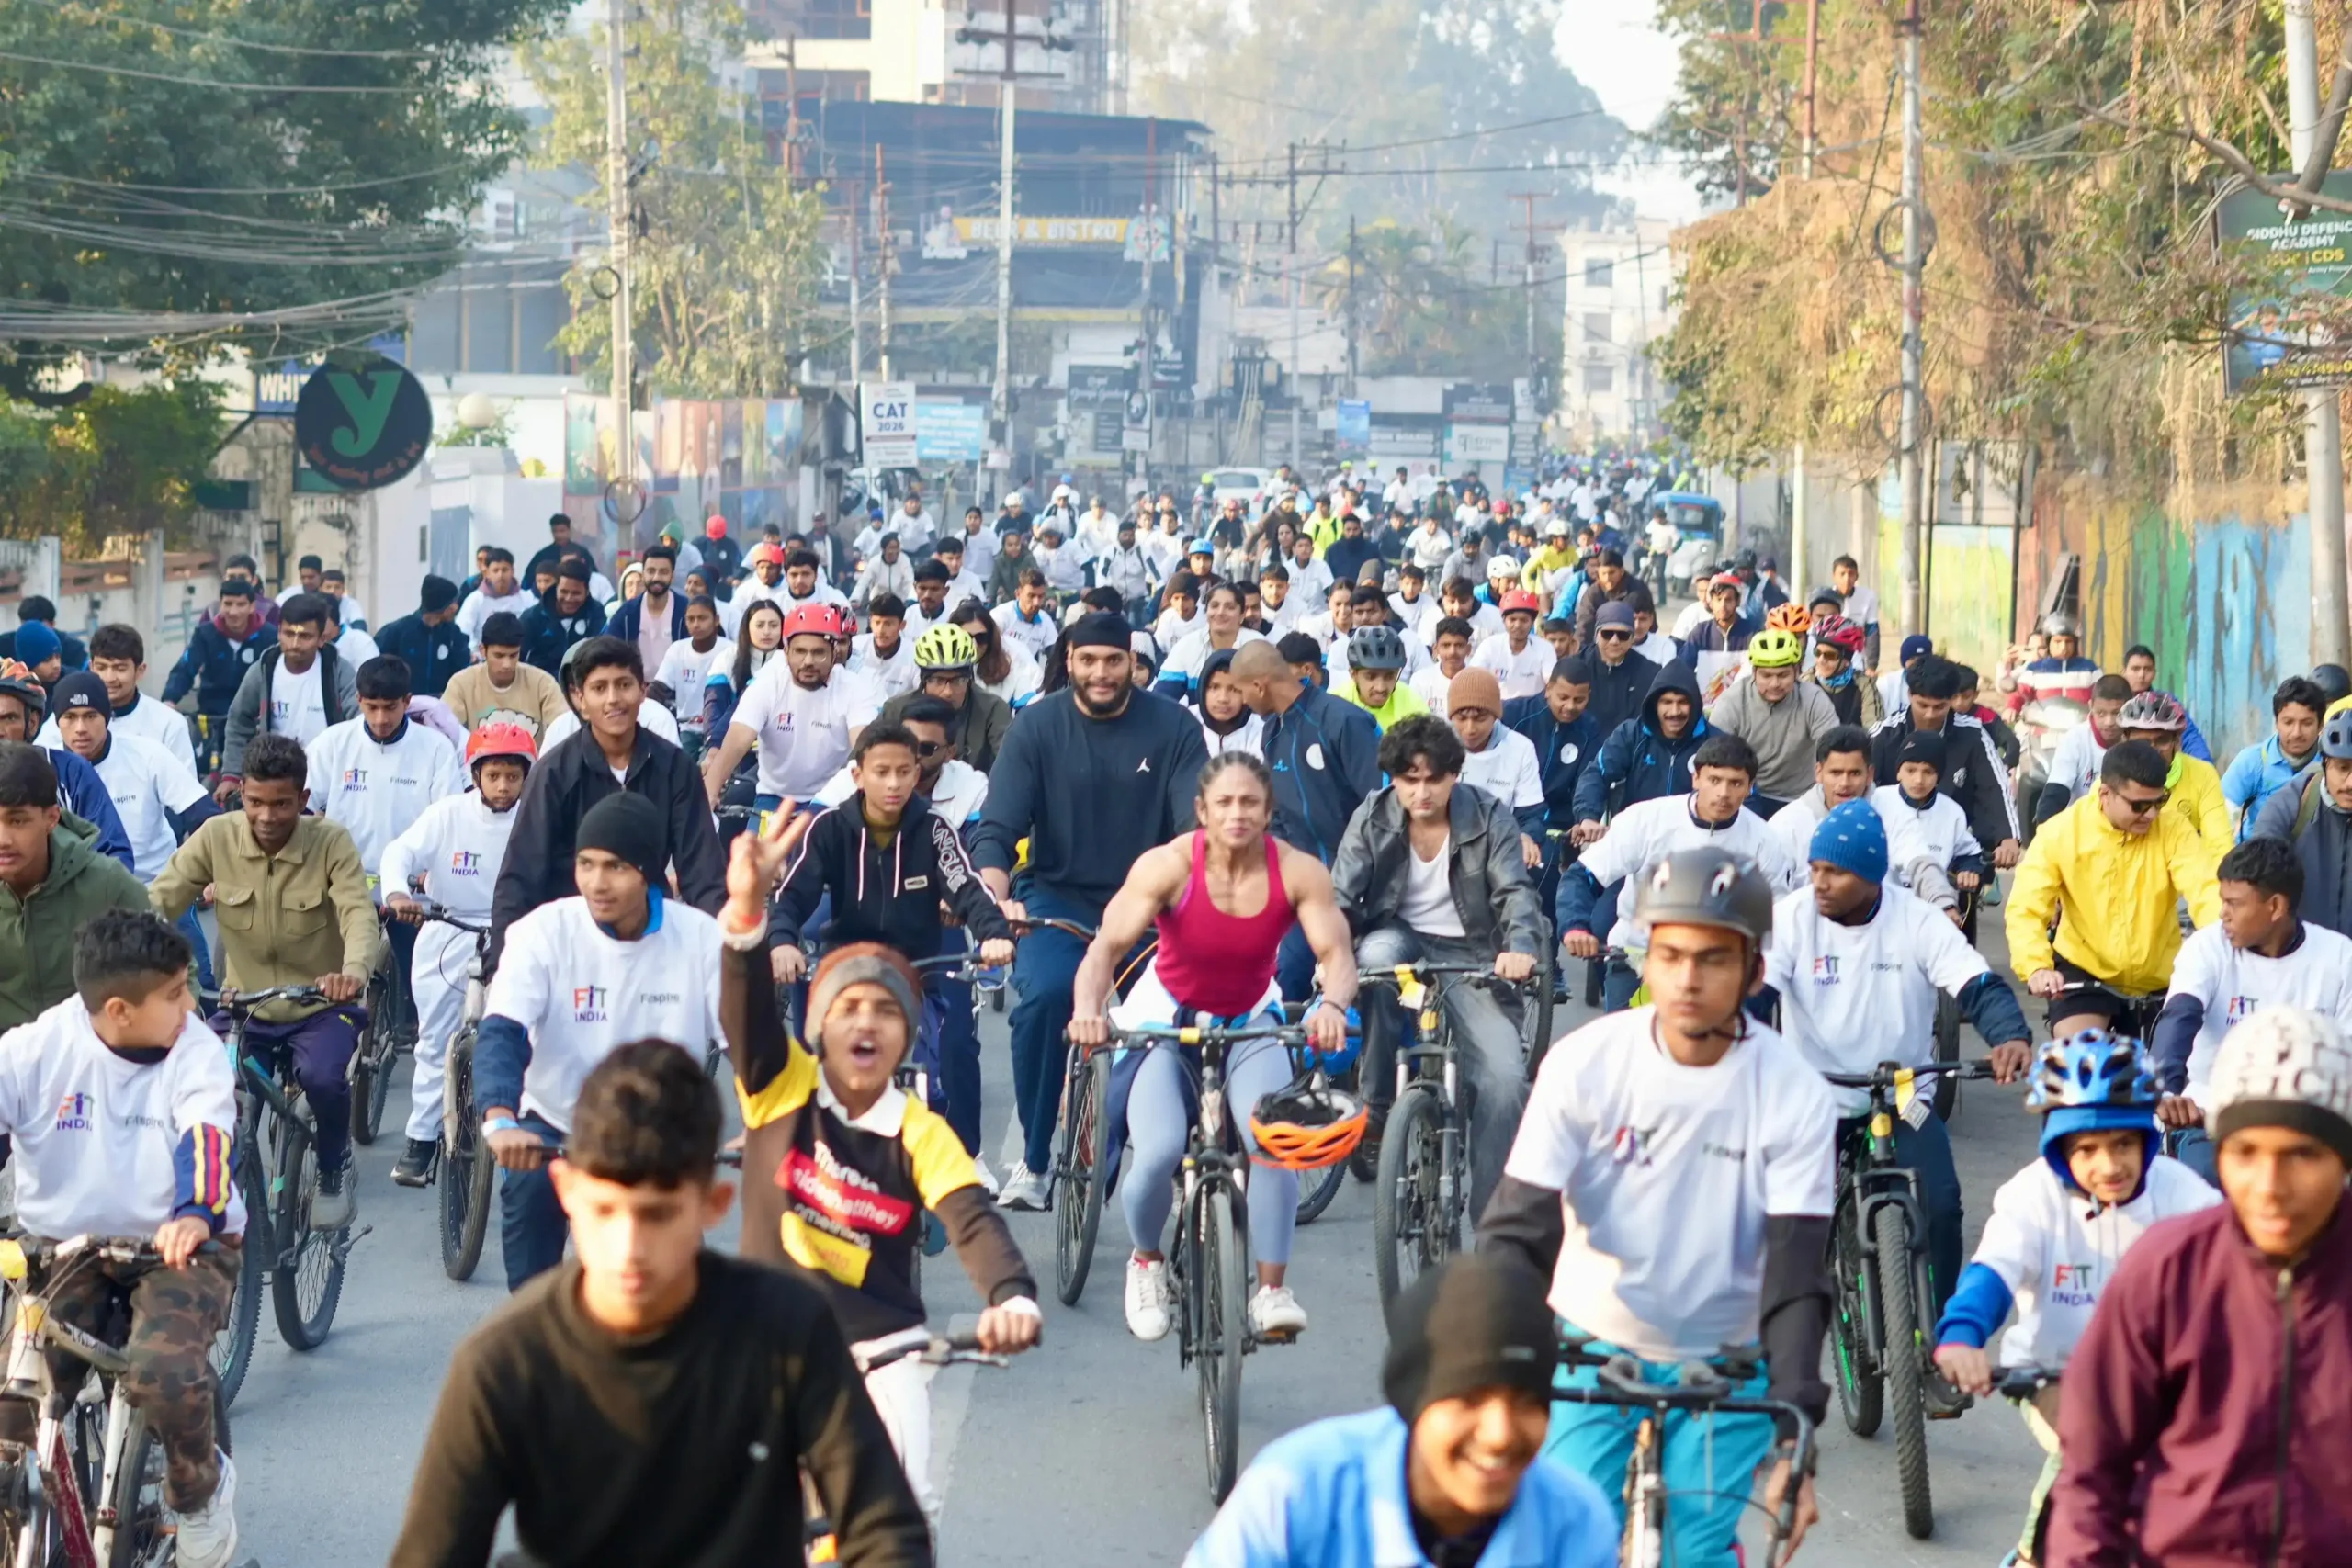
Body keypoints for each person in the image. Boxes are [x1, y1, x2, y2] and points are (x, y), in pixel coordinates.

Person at [393, 1036, 932, 1565]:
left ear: (714, 1204)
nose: (630, 1249)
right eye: (606, 1211)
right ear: (566, 1192)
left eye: (658, 1215)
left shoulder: (788, 1329)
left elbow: (883, 1524)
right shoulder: (505, 1363)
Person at [1479, 847, 1831, 1564]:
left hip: (1728, 1359)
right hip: (1592, 1347)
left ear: (1754, 973)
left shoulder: (1794, 1090)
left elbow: (1797, 1276)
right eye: (1668, 954)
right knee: (1561, 1546)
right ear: (1644, 959)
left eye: (1712, 959)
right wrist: (1495, 1364)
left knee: (1696, 1555)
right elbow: (1516, 1236)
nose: (1687, 979)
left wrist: (1796, 1426)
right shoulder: (1585, 1063)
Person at [1068, 752, 1358, 1340]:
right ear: (1202, 810)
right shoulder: (1168, 865)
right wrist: (1087, 1012)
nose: (1237, 813)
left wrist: (1331, 1005)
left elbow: (1337, 956)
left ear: (1268, 810)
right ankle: (1146, 1260)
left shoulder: (1299, 872)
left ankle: (1272, 1291)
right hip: (1164, 1024)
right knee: (1159, 1150)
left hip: (1249, 1019)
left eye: (1250, 802)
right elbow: (1104, 950)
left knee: (1268, 1143)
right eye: (1223, 802)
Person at [2046, 1006, 2352, 1565]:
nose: (2269, 1187)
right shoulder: (2166, 1272)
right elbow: (2091, 1477)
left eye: (2302, 1155)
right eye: (2244, 1153)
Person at [0, 909, 245, 1568]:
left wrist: (196, 1212)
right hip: (66, 1245)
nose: (190, 1003)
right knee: (14, 1397)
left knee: (162, 1371)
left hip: (180, 1244)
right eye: (174, 993)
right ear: (118, 1009)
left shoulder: (194, 1049)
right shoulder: (34, 1050)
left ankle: (200, 1494)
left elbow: (208, 1135)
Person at [1929, 1030, 2218, 1567]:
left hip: (2162, 1384)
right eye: (2087, 1149)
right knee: (2091, 1445)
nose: (2109, 1165)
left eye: (2124, 1144)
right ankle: (2036, 1555)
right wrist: (1962, 1336)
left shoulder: (2183, 1195)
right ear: (2056, 1146)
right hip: (2052, 1374)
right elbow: (1994, 1271)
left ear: (2147, 1140)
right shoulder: (2031, 1196)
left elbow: (2241, 1271)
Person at [968, 613, 1209, 1210]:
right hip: (1057, 896)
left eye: (1113, 660)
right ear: (1068, 662)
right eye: (1087, 660)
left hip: (1152, 905)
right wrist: (996, 902)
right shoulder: (1037, 728)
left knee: (1188, 1018)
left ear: (1132, 662)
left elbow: (1193, 833)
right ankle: (1037, 1158)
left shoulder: (1174, 728)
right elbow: (997, 830)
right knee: (1046, 998)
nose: (1101, 673)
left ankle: (1180, 1151)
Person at [1186, 1252, 1617, 1568]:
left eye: (1528, 1402)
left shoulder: (1575, 1525)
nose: (1500, 1433)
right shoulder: (1293, 1496)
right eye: (1469, 1399)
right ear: (1412, 1400)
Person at [1768, 800, 2030, 1311]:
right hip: (1815, 1093)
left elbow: (1977, 985)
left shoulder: (1917, 920)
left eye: (1835, 873)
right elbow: (1754, 995)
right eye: (1815, 869)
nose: (1819, 882)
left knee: (1942, 1208)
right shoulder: (1791, 919)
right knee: (1789, 1215)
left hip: (1902, 1091)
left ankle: (1940, 1336)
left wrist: (2009, 1035)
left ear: (1870, 877)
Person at [476, 794, 726, 1290]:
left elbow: (746, 1043)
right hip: (552, 1128)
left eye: (614, 867)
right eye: (585, 864)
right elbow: (503, 1029)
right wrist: (500, 1118)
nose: (596, 882)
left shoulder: (701, 938)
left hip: (660, 1137)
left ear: (648, 872)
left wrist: (770, 1122)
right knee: (532, 1284)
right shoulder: (542, 932)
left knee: (675, 1289)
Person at [149, 732, 380, 1226]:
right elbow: (160, 899)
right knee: (209, 1091)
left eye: (281, 804)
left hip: (320, 1006)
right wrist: (123, 956)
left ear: (302, 799)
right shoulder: (216, 837)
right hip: (245, 1007)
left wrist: (353, 971)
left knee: (321, 1078)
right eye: (255, 802)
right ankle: (213, 1198)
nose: (267, 816)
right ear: (242, 797)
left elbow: (358, 913)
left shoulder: (330, 841)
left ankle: (333, 1167)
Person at [1334, 716, 1546, 1215]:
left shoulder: (1489, 816)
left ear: (1456, 775)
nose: (1422, 791)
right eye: (1410, 778)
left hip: (1475, 952)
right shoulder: (1373, 815)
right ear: (1394, 778)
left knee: (1503, 1081)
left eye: (1434, 778)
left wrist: (1519, 948)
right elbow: (1339, 898)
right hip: (1400, 939)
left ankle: (1493, 1220)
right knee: (1375, 958)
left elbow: (1515, 892)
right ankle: (1380, 1104)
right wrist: (1333, 955)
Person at [490, 637, 728, 965]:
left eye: (624, 685)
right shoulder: (553, 773)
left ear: (642, 691)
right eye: (599, 688)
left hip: (650, 936)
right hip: (570, 944)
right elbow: (520, 876)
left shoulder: (675, 767)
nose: (613, 699)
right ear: (580, 699)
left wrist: (727, 957)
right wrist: (500, 967)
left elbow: (704, 872)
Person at [379, 722, 534, 1188]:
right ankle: (421, 1139)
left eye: (513, 775)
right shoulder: (447, 814)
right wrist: (397, 894)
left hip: (517, 933)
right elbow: (398, 853)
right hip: (448, 930)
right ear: (476, 774)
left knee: (522, 1040)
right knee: (436, 1042)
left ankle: (519, 1142)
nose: (503, 786)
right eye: (494, 775)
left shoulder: (539, 818)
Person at [2150, 835, 2352, 1188]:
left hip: (2307, 1123)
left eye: (2234, 904)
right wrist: (2166, 1091)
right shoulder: (2207, 948)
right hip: (2211, 1118)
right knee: (2206, 1182)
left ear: (2275, 907)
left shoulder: (2339, 957)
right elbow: (2179, 1017)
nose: (2222, 914)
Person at [1563, 732, 1801, 1010]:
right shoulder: (1645, 819)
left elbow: (1780, 915)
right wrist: (1575, 927)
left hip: (1718, 971)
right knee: (1629, 1051)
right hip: (1636, 957)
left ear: (1750, 788)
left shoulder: (1765, 840)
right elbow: (1583, 876)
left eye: (1736, 783)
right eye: (1715, 780)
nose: (1724, 793)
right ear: (1696, 778)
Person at [2008, 740, 2222, 1039]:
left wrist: (2226, 950)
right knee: (2079, 1065)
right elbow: (2026, 908)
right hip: (2084, 974)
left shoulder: (2174, 829)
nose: (2150, 815)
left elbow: (2207, 892)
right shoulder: (2060, 832)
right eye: (2138, 805)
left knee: (2177, 1073)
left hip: (2162, 976)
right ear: (2105, 793)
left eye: (2159, 802)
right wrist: (2036, 967)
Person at [44, 671, 219, 982]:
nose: (81, 728)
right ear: (56, 722)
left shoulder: (147, 754)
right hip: (83, 902)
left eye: (91, 715)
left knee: (198, 988)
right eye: (69, 717)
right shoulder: (43, 765)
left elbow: (205, 815)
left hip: (160, 890)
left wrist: (212, 870)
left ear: (109, 716)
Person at [0, 743, 151, 1032]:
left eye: (17, 820)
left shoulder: (106, 884)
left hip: (93, 1062)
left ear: (51, 818)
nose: (3, 839)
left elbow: (172, 970)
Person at [700, 603, 880, 817]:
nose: (808, 661)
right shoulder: (769, 682)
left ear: (834, 653)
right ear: (786, 653)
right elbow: (737, 740)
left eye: (819, 653)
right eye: (800, 652)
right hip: (772, 799)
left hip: (831, 801)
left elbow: (866, 746)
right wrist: (709, 794)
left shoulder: (853, 687)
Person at [1871, 653, 2022, 868]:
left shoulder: (1974, 734)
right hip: (1889, 851)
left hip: (1955, 852)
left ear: (1952, 700)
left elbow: (1995, 787)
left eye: (1939, 707)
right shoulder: (1883, 735)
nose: (1931, 714)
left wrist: (2008, 838)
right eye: (1922, 705)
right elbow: (1863, 788)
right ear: (1909, 695)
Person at [215, 592, 356, 802]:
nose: (295, 643)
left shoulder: (339, 671)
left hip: (329, 779)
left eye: (305, 636)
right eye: (289, 634)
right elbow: (238, 720)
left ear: (322, 639)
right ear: (279, 631)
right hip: (274, 780)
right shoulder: (263, 670)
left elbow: (359, 720)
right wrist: (232, 775)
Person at [1704, 626, 1838, 813]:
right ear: (1754, 672)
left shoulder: (1814, 699)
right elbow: (1714, 756)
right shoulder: (1733, 701)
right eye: (1766, 675)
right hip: (1747, 795)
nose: (1775, 684)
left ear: (1797, 671)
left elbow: (1833, 749)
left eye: (1783, 675)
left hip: (1802, 798)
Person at [1569, 657, 1713, 830]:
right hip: (1637, 836)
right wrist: (1587, 817)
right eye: (1667, 702)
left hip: (1694, 838)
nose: (1675, 712)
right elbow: (1596, 773)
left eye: (1682, 702)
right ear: (1654, 705)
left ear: (1695, 705)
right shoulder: (1631, 734)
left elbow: (1744, 794)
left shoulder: (1715, 742)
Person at [34, 624, 197, 777]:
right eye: (102, 668)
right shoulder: (65, 720)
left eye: (120, 669)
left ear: (140, 671)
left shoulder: (169, 724)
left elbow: (187, 794)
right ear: (91, 668)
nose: (109, 678)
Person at [1871, 730, 1984, 915]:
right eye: (1911, 770)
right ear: (1898, 772)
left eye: (1928, 772)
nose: (1918, 780)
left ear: (1939, 776)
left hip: (1931, 910)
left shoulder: (1952, 812)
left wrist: (1968, 870)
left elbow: (1967, 853)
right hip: (1881, 908)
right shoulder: (1876, 801)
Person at [165, 579, 272, 774]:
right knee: (202, 768)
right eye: (228, 604)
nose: (233, 611)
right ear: (219, 605)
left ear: (252, 607)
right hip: (212, 716)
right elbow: (185, 668)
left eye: (240, 604)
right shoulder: (205, 634)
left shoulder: (268, 636)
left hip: (252, 718)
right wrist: (170, 699)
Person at [876, 625, 1012, 775]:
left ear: (970, 679)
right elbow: (866, 759)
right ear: (923, 680)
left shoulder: (993, 709)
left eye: (958, 681)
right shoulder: (896, 709)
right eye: (938, 680)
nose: (948, 692)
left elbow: (1012, 764)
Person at [1448, 669, 1546, 852]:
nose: (1470, 729)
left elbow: (1531, 814)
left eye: (1480, 718)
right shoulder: (1436, 745)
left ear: (1496, 715)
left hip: (1498, 848)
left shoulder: (1520, 748)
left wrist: (1526, 837)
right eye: (1461, 718)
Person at [2222, 675, 2326, 838]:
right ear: (2276, 722)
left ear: (2321, 725)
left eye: (2306, 723)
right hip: (2259, 858)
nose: (2296, 733)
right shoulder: (2252, 762)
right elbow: (2221, 821)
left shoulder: (2330, 764)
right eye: (2288, 722)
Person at [650, 594, 733, 748]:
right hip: (688, 729)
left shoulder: (731, 650)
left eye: (702, 618)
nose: (696, 624)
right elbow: (659, 689)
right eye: (691, 619)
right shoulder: (677, 649)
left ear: (716, 620)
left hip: (722, 730)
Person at [371, 577, 469, 699]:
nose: (456, 607)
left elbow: (463, 670)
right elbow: (376, 669)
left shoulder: (454, 634)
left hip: (442, 706)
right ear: (439, 605)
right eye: (451, 603)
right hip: (406, 706)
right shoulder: (396, 633)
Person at [607, 542, 686, 683]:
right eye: (651, 571)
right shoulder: (626, 614)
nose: (656, 577)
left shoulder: (686, 611)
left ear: (672, 576)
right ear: (643, 574)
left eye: (663, 572)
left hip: (676, 691)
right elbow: (608, 651)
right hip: (636, 691)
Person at [454, 547, 528, 652]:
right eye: (495, 570)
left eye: (505, 570)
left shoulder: (526, 599)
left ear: (513, 571)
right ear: (487, 573)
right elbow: (462, 633)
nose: (500, 575)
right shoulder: (474, 600)